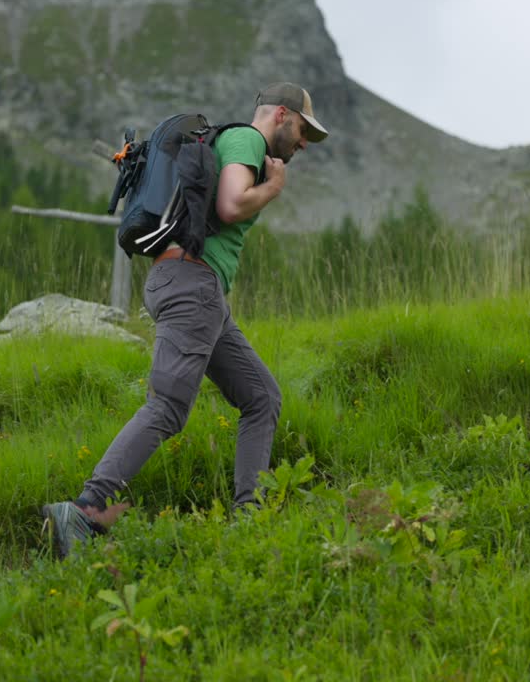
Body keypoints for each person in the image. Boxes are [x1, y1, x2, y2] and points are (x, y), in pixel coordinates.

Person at [42, 82, 329, 558]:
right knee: (168, 407)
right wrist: (274, 187)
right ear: (281, 114)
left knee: (261, 397)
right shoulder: (247, 140)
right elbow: (231, 204)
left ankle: (250, 519)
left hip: (196, 289)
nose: (303, 144)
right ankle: (85, 509)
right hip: (192, 285)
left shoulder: (233, 142)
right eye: (302, 130)